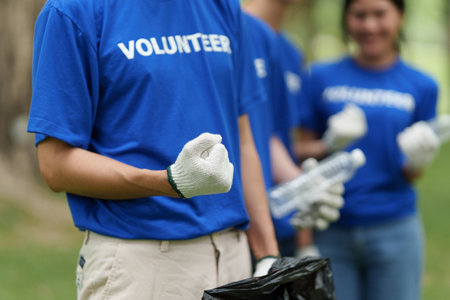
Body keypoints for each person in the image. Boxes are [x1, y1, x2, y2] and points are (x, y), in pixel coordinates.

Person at [27, 1, 281, 299]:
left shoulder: (222, 5)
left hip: (232, 259)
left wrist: (268, 257)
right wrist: (167, 181)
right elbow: (55, 165)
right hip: (140, 261)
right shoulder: (73, 10)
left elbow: (243, 142)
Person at [295, 0, 440, 299]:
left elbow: (410, 173)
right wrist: (328, 144)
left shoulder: (423, 85)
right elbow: (298, 153)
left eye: (379, 14)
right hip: (331, 227)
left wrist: (418, 161)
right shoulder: (320, 76)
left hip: (395, 227)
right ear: (347, 19)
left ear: (399, 17)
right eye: (359, 15)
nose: (369, 26)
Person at [242, 0, 343, 260]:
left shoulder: (282, 46)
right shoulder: (226, 29)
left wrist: (305, 188)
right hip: (236, 228)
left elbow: (270, 134)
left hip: (279, 223)